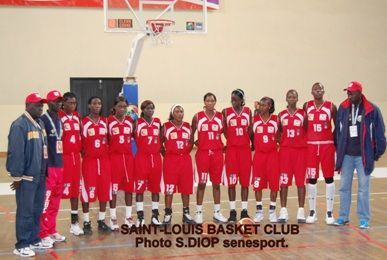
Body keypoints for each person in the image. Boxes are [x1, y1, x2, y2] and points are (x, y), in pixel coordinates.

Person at [334, 81, 386, 229]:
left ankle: (364, 218)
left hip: (364, 156)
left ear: (359, 93)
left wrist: (376, 153)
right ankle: (343, 216)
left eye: (351, 92)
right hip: (347, 156)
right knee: (344, 187)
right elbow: (338, 131)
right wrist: (339, 150)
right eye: (347, 92)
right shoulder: (343, 108)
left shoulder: (371, 109)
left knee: (363, 188)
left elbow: (380, 132)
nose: (348, 95)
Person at [6, 93, 50, 257]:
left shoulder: (39, 124)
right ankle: (22, 244)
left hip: (39, 177)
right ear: (27, 106)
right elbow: (15, 153)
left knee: (37, 210)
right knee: (25, 211)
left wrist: (44, 172)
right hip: (26, 178)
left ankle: (33, 239)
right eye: (37, 105)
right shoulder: (20, 125)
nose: (41, 108)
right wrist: (17, 177)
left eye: (42, 105)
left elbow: (43, 151)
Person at [303, 83, 337, 225]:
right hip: (311, 147)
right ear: (311, 92)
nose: (318, 91)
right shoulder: (306, 106)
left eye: (320, 89)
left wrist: (331, 139)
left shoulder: (331, 106)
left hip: (326, 147)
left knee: (329, 178)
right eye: (315, 89)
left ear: (323, 91)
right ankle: (312, 212)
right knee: (312, 179)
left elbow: (338, 126)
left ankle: (329, 213)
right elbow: (304, 125)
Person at [192, 93, 227, 224]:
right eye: (208, 100)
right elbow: (191, 133)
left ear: (215, 102)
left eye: (212, 100)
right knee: (201, 184)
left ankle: (217, 212)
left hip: (217, 154)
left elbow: (227, 133)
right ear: (204, 102)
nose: (210, 102)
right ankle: (199, 212)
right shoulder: (197, 117)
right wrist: (194, 143)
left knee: (216, 184)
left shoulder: (220, 117)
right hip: (203, 154)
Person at [80, 96, 112, 234]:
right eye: (94, 103)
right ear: (89, 105)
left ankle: (101, 220)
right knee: (87, 190)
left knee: (105, 190)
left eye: (99, 103)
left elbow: (110, 140)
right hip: (90, 161)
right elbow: (80, 143)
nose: (97, 105)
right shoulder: (83, 122)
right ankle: (86, 222)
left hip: (104, 161)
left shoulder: (105, 121)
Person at [39, 90, 66, 244]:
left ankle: (51, 230)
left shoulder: (59, 119)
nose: (59, 103)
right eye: (56, 101)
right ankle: (42, 233)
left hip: (59, 164)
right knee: (46, 202)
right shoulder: (43, 120)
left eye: (60, 101)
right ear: (49, 102)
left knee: (56, 201)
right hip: (49, 166)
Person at [161, 104, 195, 225]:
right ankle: (168, 214)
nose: (180, 113)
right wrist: (168, 155)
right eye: (177, 111)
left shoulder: (188, 126)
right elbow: (160, 144)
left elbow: (191, 142)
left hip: (185, 160)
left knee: (186, 188)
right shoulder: (165, 126)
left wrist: (185, 153)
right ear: (172, 113)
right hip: (170, 161)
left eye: (181, 111)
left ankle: (186, 213)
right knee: (169, 188)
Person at [222, 89, 252, 222]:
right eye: (232, 99)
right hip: (232, 151)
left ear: (241, 100)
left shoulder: (248, 111)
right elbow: (224, 130)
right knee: (232, 182)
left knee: (245, 182)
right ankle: (233, 211)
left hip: (245, 151)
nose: (233, 102)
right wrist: (233, 141)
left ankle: (244, 211)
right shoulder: (226, 112)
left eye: (236, 99)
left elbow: (250, 130)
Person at [278, 89, 307, 223]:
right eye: (289, 96)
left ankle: (301, 211)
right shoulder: (281, 115)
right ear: (286, 98)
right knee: (284, 181)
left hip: (300, 151)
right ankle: (283, 210)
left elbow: (306, 130)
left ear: (297, 99)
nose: (291, 98)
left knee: (301, 181)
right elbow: (278, 133)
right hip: (285, 152)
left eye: (294, 96)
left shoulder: (303, 114)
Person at [108, 96, 135, 230]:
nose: (122, 109)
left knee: (129, 188)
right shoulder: (109, 121)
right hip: (114, 158)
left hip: (128, 158)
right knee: (113, 189)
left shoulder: (130, 121)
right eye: (120, 106)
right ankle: (113, 218)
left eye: (124, 106)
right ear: (114, 108)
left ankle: (128, 217)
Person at [59, 92, 84, 235]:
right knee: (59, 190)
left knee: (75, 191)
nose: (72, 105)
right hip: (63, 159)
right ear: (64, 103)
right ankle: (49, 227)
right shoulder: (58, 117)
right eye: (70, 103)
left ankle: (74, 223)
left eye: (74, 103)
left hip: (76, 158)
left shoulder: (77, 117)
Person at [134, 100, 163, 226]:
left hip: (155, 158)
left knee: (155, 188)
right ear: (143, 110)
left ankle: (155, 216)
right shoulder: (137, 123)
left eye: (152, 108)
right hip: (141, 158)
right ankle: (140, 217)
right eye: (147, 108)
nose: (150, 110)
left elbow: (161, 139)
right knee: (140, 188)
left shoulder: (157, 122)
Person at [252, 97, 279, 223]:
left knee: (274, 185)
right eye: (260, 104)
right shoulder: (254, 120)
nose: (261, 107)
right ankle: (259, 211)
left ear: (269, 106)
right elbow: (249, 134)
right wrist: (254, 112)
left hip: (273, 156)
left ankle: (272, 211)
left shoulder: (276, 120)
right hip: (259, 156)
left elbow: (281, 135)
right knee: (257, 185)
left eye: (264, 105)